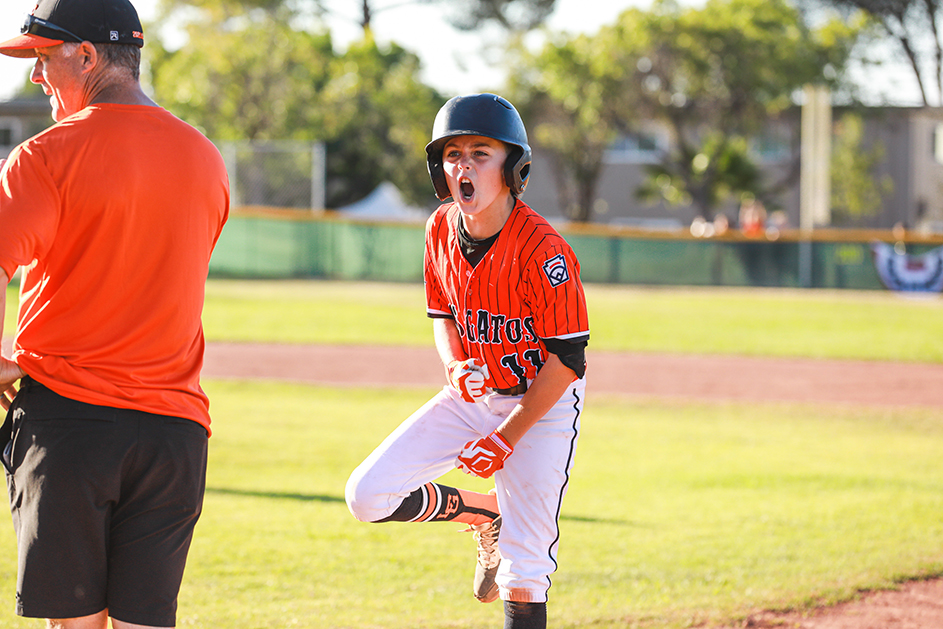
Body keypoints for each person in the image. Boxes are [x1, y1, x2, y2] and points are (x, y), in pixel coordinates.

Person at [0, 0, 230, 627]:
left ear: (89, 56)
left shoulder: (44, 156)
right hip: (174, 432)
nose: (35, 75)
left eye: (45, 58)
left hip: (70, 424)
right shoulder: (205, 157)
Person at [346, 93, 589, 629]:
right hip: (473, 396)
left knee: (525, 567)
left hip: (538, 403)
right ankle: (484, 511)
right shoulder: (439, 229)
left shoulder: (544, 250)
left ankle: (507, 534)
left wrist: (507, 437)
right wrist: (455, 365)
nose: (465, 166)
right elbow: (442, 315)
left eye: (482, 152)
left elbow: (568, 360)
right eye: (453, 154)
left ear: (512, 166)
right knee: (366, 495)